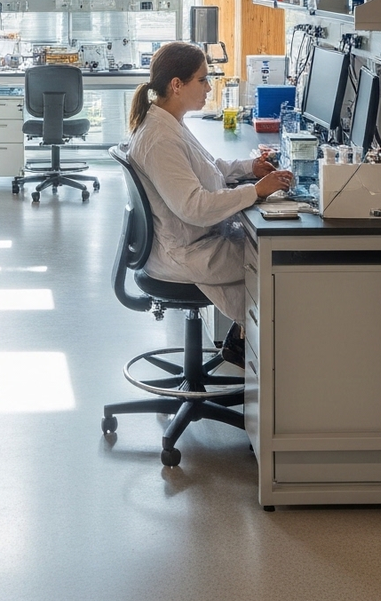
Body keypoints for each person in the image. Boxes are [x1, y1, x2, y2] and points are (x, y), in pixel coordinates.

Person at [124, 41, 294, 368]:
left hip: (194, 243)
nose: (209, 87)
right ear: (177, 85)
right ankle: (251, 347)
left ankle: (243, 339)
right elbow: (195, 207)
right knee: (280, 262)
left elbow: (207, 167)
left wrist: (249, 169)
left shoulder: (168, 122)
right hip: (186, 254)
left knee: (267, 251)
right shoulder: (160, 138)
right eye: (202, 80)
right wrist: (256, 192)